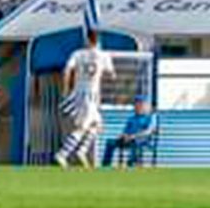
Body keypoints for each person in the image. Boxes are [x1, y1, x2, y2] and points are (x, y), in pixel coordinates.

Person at [55, 29, 114, 167]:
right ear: (98, 40)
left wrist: (65, 88)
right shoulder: (104, 55)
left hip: (79, 94)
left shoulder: (77, 54)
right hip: (90, 96)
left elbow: (67, 70)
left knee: (98, 125)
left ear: (86, 40)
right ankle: (62, 154)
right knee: (83, 127)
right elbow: (112, 74)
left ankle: (81, 151)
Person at [103, 98, 159, 168]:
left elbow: (148, 131)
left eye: (140, 105)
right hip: (128, 138)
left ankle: (131, 163)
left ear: (144, 107)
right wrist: (123, 135)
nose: (137, 107)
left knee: (134, 142)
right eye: (136, 105)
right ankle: (106, 165)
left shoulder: (149, 118)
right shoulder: (131, 118)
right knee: (110, 142)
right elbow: (125, 130)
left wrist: (134, 136)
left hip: (142, 140)